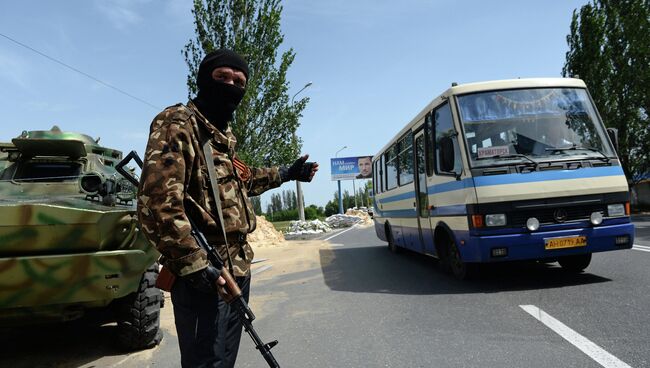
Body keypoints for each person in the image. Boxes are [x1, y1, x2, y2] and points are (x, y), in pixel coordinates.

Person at [137, 49, 318, 368]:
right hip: (204, 274)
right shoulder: (179, 124)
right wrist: (196, 265)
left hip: (236, 269)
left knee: (224, 360)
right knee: (206, 363)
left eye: (239, 81)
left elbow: (241, 183)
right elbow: (157, 204)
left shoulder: (221, 140)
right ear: (204, 79)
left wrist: (287, 174)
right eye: (222, 77)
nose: (231, 85)